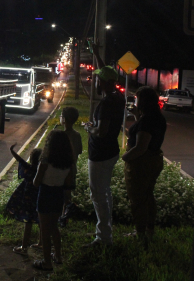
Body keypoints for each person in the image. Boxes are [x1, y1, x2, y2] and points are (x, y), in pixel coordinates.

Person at [83, 46, 125, 247]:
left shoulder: (107, 104)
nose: (95, 80)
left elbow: (101, 131)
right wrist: (98, 55)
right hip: (110, 152)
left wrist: (88, 128)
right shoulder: (118, 97)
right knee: (105, 193)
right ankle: (105, 232)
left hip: (100, 154)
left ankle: (103, 237)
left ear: (106, 83)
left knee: (98, 194)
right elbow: (105, 72)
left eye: (98, 79)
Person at [122, 86, 166, 243]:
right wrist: (137, 116)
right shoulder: (156, 117)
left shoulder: (147, 121)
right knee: (148, 196)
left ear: (144, 101)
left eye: (137, 98)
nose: (135, 101)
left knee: (138, 199)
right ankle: (149, 230)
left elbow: (141, 146)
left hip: (141, 163)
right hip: (154, 160)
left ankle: (140, 234)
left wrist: (126, 157)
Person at [32, 130, 74, 271]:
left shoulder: (45, 161)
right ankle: (58, 256)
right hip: (58, 194)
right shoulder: (68, 162)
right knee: (54, 227)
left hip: (45, 193)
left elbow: (36, 182)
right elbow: (68, 183)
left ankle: (47, 262)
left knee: (44, 230)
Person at [5, 143, 43, 254]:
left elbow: (20, 160)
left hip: (28, 200)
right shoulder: (42, 171)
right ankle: (41, 243)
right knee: (41, 221)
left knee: (28, 222)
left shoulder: (29, 169)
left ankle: (24, 247)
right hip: (39, 199)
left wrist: (12, 151)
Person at [58, 107, 83, 227]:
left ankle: (58, 217)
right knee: (67, 196)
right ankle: (64, 218)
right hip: (71, 170)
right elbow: (79, 151)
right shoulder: (77, 135)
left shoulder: (60, 135)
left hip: (59, 170)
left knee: (57, 194)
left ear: (64, 119)